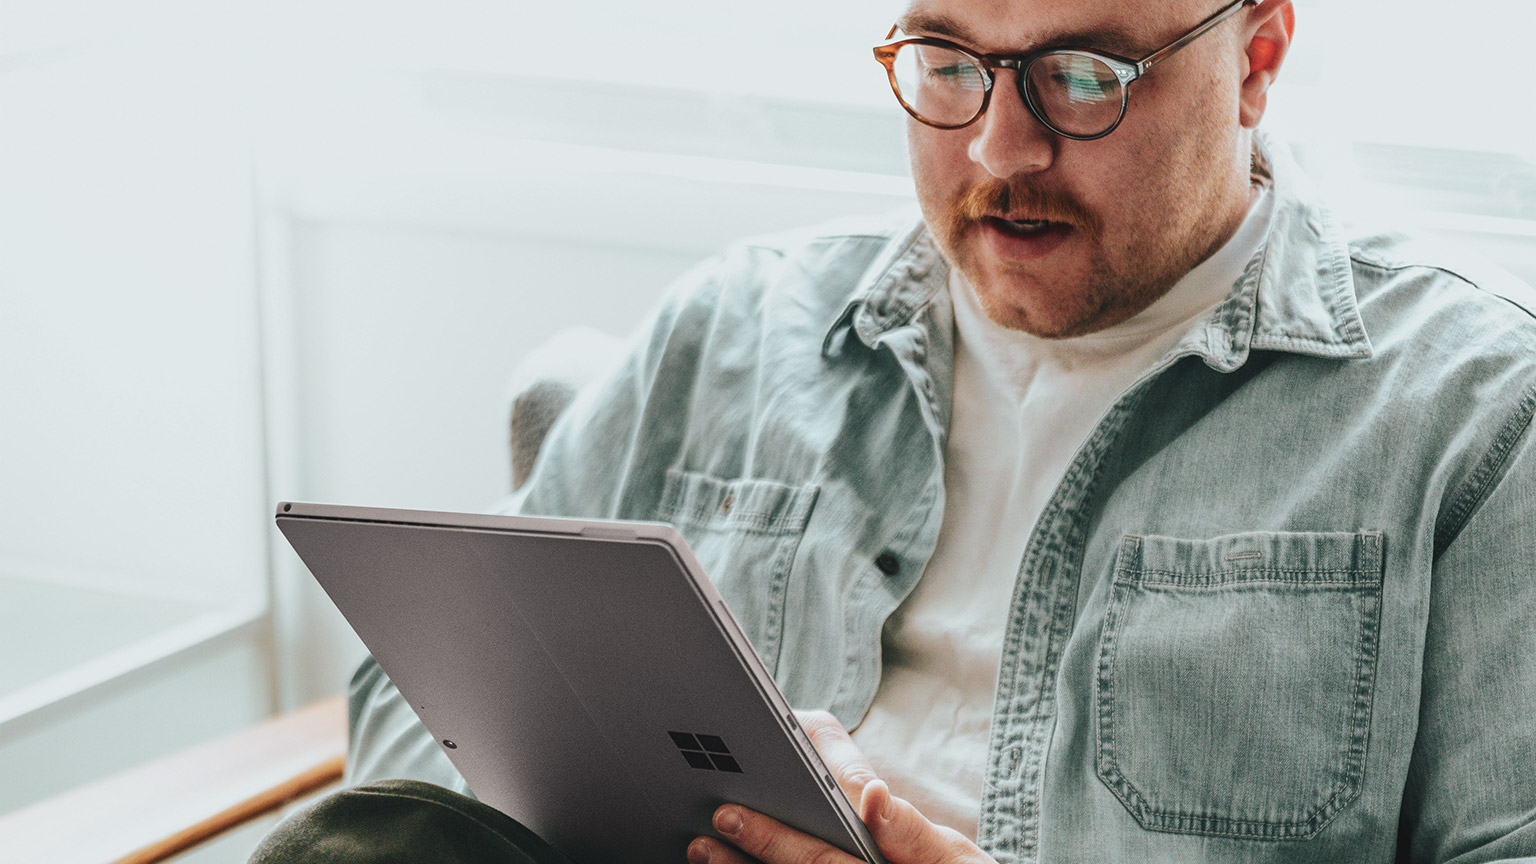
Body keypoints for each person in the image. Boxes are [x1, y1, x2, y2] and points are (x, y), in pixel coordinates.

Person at [253, 0, 1536, 861]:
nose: (1001, 145)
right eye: (946, 63)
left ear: (1254, 62)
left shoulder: (1472, 418)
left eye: (1083, 77)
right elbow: (422, 706)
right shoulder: (736, 328)